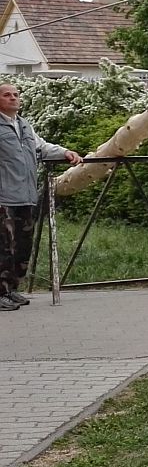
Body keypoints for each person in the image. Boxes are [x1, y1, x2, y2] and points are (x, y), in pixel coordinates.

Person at [0, 82, 81, 311]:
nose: (13, 98)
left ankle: (12, 288)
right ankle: (1, 292)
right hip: (4, 197)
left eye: (16, 94)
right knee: (3, 247)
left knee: (22, 246)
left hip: (26, 196)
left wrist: (65, 152)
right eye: (7, 95)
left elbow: (42, 147)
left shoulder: (24, 126)